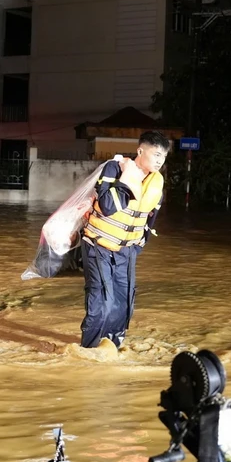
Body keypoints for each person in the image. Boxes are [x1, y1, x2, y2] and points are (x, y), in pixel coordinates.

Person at [79, 131, 169, 349]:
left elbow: (149, 221)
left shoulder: (156, 184)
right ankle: (88, 351)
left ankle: (112, 348)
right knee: (102, 300)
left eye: (163, 156)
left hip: (126, 251)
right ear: (140, 151)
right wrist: (128, 180)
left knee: (123, 302)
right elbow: (108, 206)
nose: (159, 160)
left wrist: (136, 247)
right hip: (98, 245)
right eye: (156, 154)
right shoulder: (115, 169)